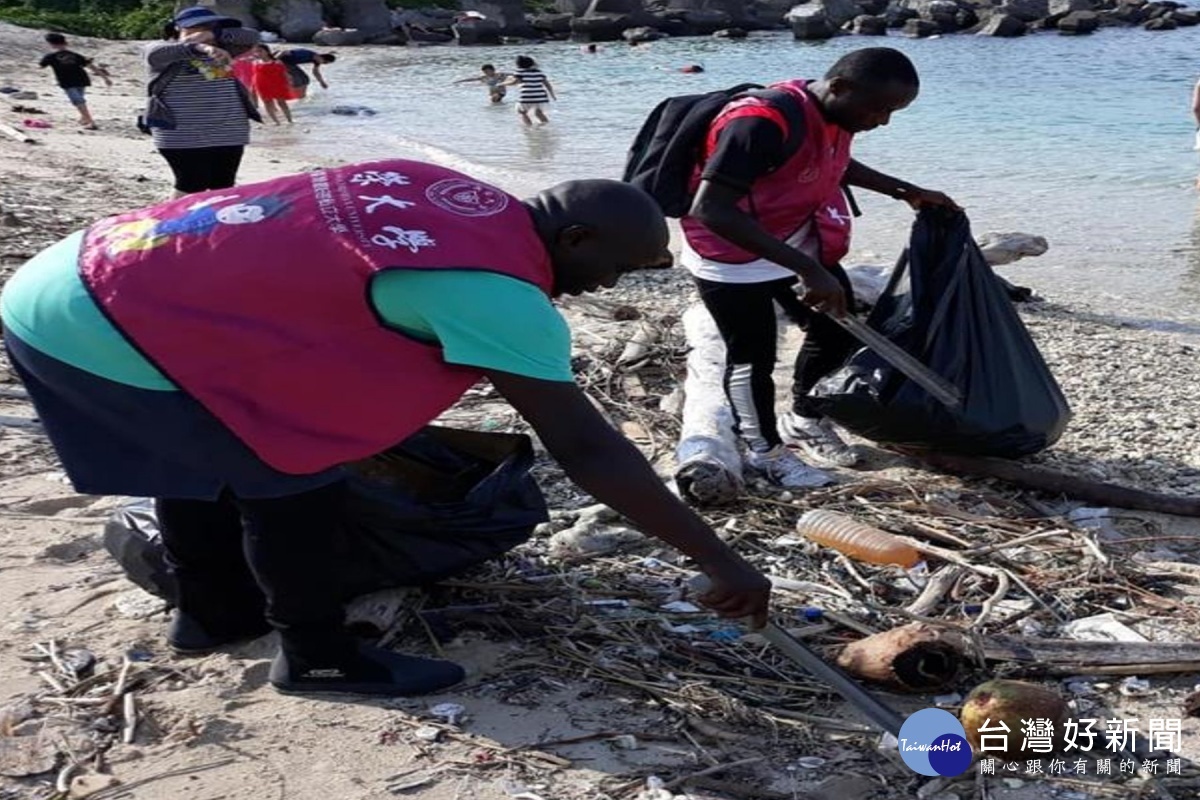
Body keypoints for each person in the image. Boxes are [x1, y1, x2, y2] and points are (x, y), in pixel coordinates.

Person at [0, 159, 771, 697]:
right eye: (621, 268)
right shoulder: (499, 297)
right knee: (288, 467)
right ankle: (319, 659)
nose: (611, 285)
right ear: (575, 240)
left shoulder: (441, 188)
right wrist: (719, 559)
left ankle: (212, 614)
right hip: (99, 318)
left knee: (205, 448)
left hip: (90, 267)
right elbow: (588, 448)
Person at [681, 47, 959, 488]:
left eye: (893, 112)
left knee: (838, 328)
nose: (882, 121)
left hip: (791, 236)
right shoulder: (758, 122)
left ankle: (804, 418)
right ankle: (765, 453)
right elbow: (711, 208)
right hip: (729, 253)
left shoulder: (830, 114)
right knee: (751, 359)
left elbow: (832, 160)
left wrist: (904, 190)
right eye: (879, 108)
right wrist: (808, 271)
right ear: (841, 87)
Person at [143, 6, 262, 197]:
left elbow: (251, 36)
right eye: (196, 27)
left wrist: (212, 35)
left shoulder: (225, 49)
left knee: (223, 184)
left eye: (210, 26)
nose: (203, 30)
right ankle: (173, 224)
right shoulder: (159, 50)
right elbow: (154, 55)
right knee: (190, 184)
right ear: (176, 29)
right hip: (182, 133)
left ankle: (218, 225)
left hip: (229, 130)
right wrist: (200, 45)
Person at [38, 32, 111, 130]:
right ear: (65, 42)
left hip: (67, 81)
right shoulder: (75, 55)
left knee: (77, 101)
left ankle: (91, 122)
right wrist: (105, 78)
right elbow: (91, 66)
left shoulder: (50, 56)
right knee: (80, 99)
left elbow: (41, 66)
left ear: (51, 44)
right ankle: (84, 118)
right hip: (82, 79)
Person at [505, 55, 555, 126]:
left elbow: (515, 82)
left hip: (527, 95)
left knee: (522, 112)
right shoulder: (539, 72)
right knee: (538, 113)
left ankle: (529, 127)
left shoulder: (520, 72)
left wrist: (503, 84)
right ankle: (545, 126)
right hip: (541, 96)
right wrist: (552, 94)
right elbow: (547, 84)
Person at [250, 46, 293, 124]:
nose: (258, 53)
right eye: (256, 52)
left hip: (276, 84)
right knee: (267, 102)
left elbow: (285, 73)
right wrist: (252, 87)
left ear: (267, 51)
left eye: (260, 51)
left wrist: (289, 83)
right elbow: (254, 75)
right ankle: (276, 122)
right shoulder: (255, 62)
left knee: (281, 102)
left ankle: (290, 120)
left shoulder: (277, 62)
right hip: (261, 85)